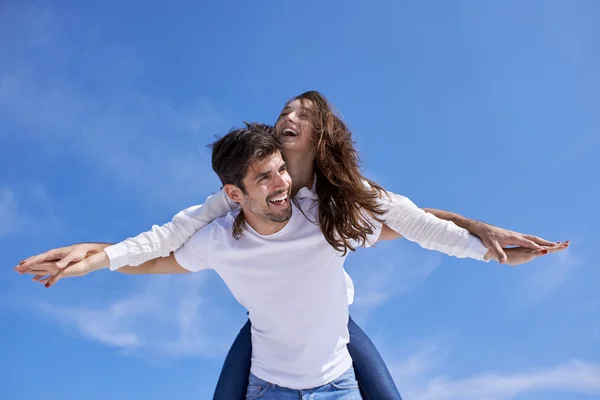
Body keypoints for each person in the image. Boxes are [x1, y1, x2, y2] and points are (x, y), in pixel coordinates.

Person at [16, 92, 567, 399]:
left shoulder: (335, 201)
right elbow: (166, 242)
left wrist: (482, 237)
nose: (288, 117)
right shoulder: (230, 208)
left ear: (316, 138)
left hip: (331, 328)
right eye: (286, 111)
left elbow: (412, 220)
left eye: (301, 118)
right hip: (269, 330)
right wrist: (97, 252)